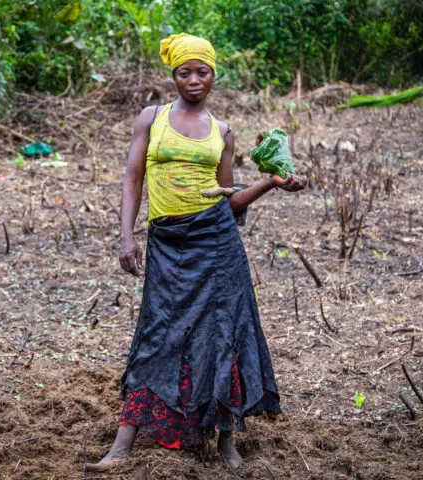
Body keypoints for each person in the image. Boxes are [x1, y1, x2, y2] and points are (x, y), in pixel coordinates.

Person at [86, 33, 307, 472]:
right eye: (184, 72)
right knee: (156, 333)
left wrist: (271, 183)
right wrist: (127, 235)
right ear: (173, 76)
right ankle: (122, 445)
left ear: (213, 76)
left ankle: (226, 440)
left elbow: (228, 199)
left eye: (201, 72)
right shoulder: (151, 118)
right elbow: (133, 178)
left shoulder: (223, 132)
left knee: (222, 335)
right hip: (167, 241)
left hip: (217, 242)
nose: (193, 79)